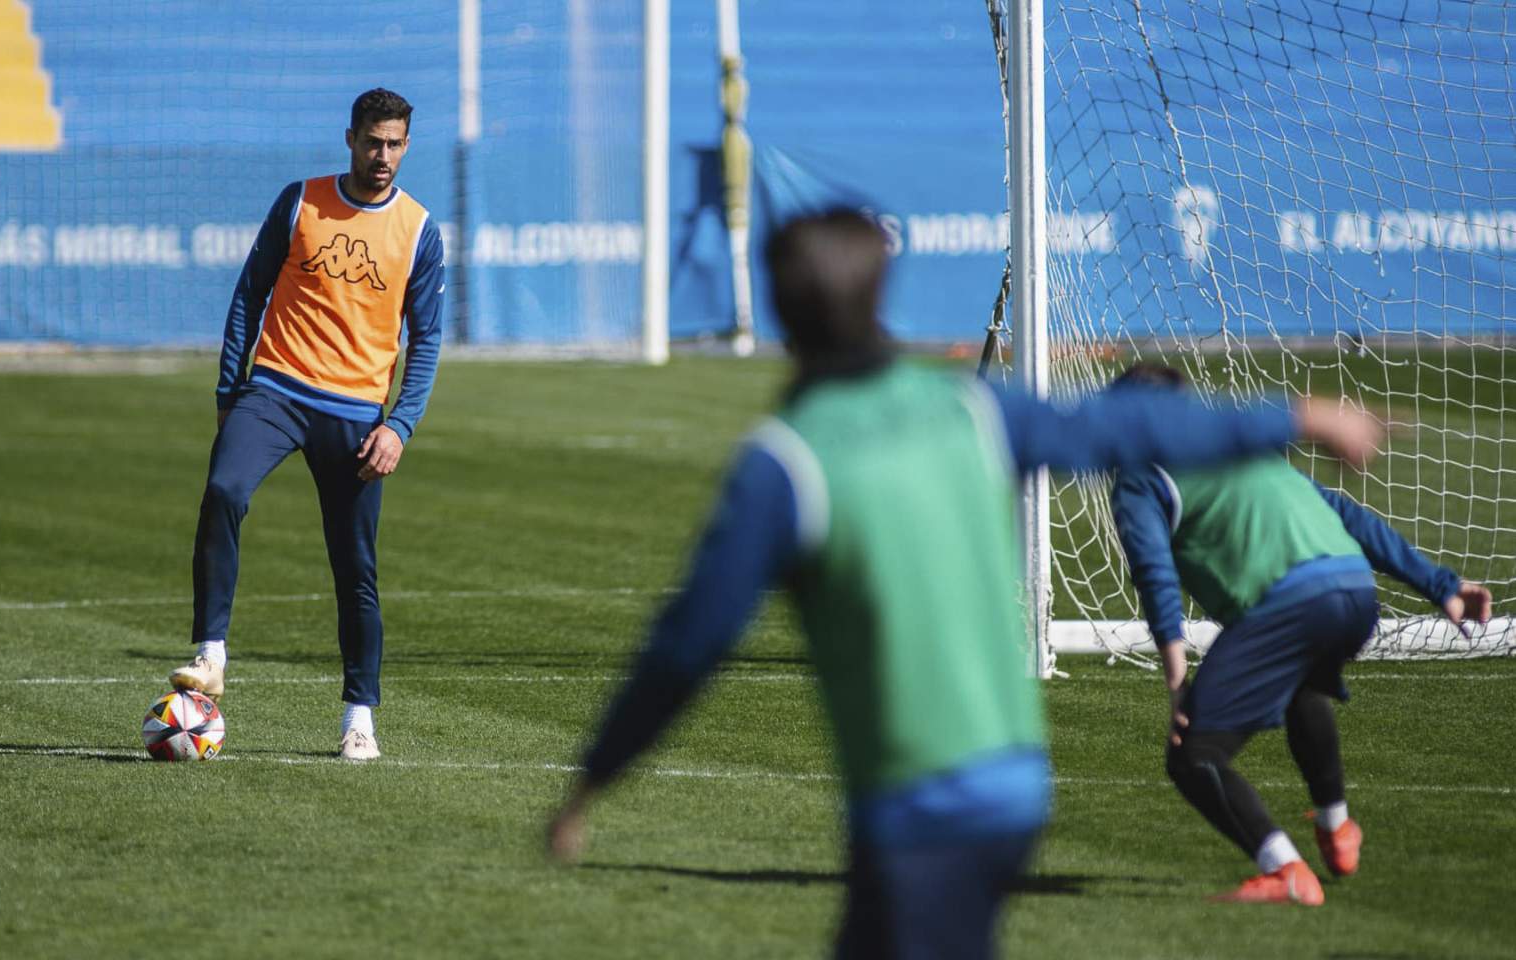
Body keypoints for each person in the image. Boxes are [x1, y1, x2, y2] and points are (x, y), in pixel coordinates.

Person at [545, 209, 1383, 958]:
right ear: (881, 291)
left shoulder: (786, 461)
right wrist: (1294, 415)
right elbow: (1125, 423)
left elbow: (688, 644)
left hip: (921, 803)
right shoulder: (967, 407)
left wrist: (594, 775)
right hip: (1015, 782)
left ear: (779, 309)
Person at [1107, 363, 1492, 905]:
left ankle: (1284, 869)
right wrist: (1441, 585)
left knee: (1193, 754)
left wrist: (1176, 681)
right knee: (1302, 685)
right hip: (1354, 591)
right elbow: (1346, 515)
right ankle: (1337, 826)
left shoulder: (1139, 476)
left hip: (1288, 603)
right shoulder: (1240, 448)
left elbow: (1154, 573)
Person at [169, 87, 445, 761]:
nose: (383, 156)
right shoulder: (300, 202)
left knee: (355, 570)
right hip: (275, 391)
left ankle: (359, 717)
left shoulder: (419, 230)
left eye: (395, 144)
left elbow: (428, 339)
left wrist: (400, 426)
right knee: (224, 490)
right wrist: (229, 389)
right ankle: (211, 653)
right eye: (373, 142)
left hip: (356, 416)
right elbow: (249, 294)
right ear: (350, 138)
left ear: (407, 146)